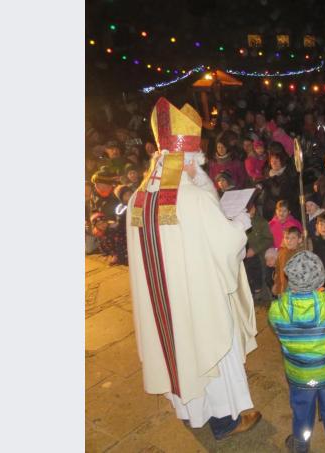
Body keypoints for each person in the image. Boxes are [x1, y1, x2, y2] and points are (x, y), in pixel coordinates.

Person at [126, 98, 261, 440]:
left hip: (164, 306)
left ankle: (189, 412)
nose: (196, 169)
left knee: (178, 354)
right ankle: (224, 421)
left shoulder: (138, 199)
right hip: (197, 300)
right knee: (208, 350)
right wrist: (241, 221)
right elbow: (226, 243)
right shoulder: (195, 199)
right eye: (195, 163)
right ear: (186, 161)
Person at [268, 251, 325, 453]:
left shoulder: (276, 309)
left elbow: (275, 327)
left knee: (301, 409)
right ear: (320, 281)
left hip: (299, 375)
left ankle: (301, 444)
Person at [260, 144, 300, 220]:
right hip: (271, 210)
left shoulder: (289, 173)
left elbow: (279, 193)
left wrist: (268, 182)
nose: (274, 163)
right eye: (272, 160)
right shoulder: (269, 172)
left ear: (282, 160)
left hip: (286, 210)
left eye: (277, 160)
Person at [245, 203, 274, 300]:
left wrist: (255, 249)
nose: (249, 210)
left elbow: (269, 239)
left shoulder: (261, 222)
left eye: (251, 207)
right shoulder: (239, 222)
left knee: (260, 277)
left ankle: (261, 296)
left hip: (258, 255)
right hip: (244, 257)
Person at [272, 226, 304, 297]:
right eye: (287, 238)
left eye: (293, 238)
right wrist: (277, 285)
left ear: (299, 239)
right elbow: (278, 270)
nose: (289, 241)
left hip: (297, 290)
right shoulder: (281, 253)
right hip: (283, 288)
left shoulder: (301, 254)